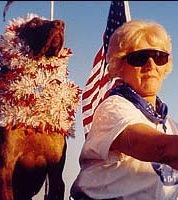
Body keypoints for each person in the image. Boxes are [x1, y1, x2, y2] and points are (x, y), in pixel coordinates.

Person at [70, 19, 178, 200]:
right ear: (119, 66)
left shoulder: (170, 125)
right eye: (139, 58)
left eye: (159, 57)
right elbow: (159, 148)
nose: (150, 65)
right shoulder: (113, 109)